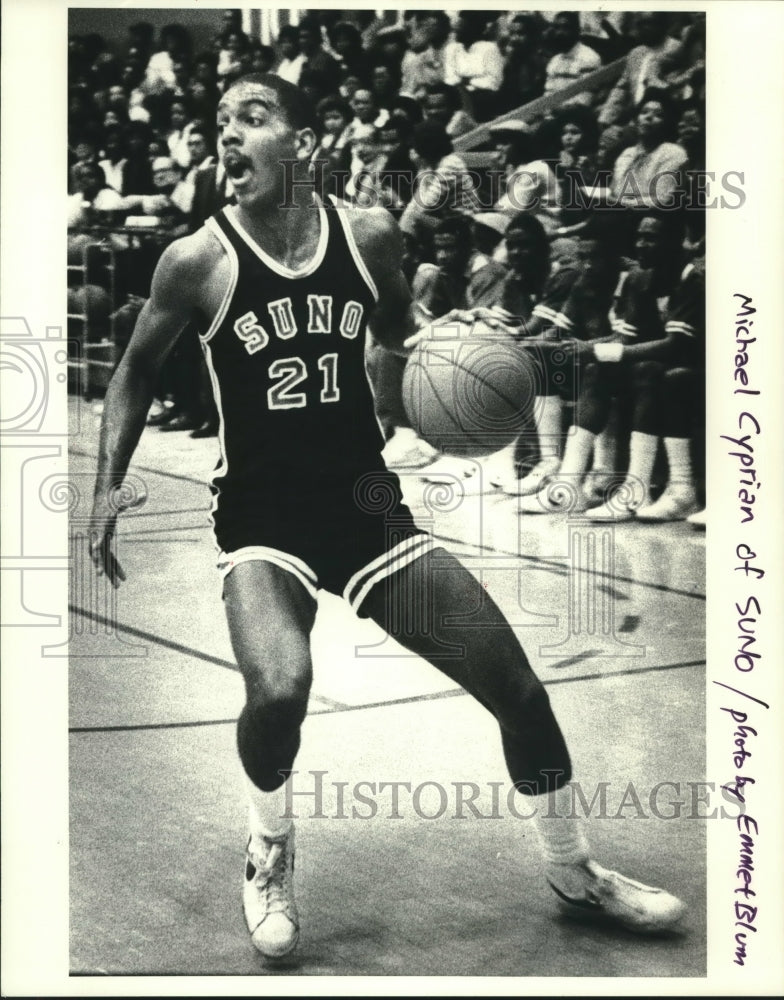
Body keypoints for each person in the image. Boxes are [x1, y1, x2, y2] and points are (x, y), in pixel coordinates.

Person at [89, 73, 686, 963]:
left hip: (366, 508)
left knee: (519, 691)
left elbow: (402, 337)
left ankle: (575, 870)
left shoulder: (367, 237)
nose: (226, 136)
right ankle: (269, 847)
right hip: (260, 514)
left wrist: (469, 357)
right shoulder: (196, 260)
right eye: (220, 122)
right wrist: (108, 485)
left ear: (301, 138)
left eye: (250, 118)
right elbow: (134, 371)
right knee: (281, 688)